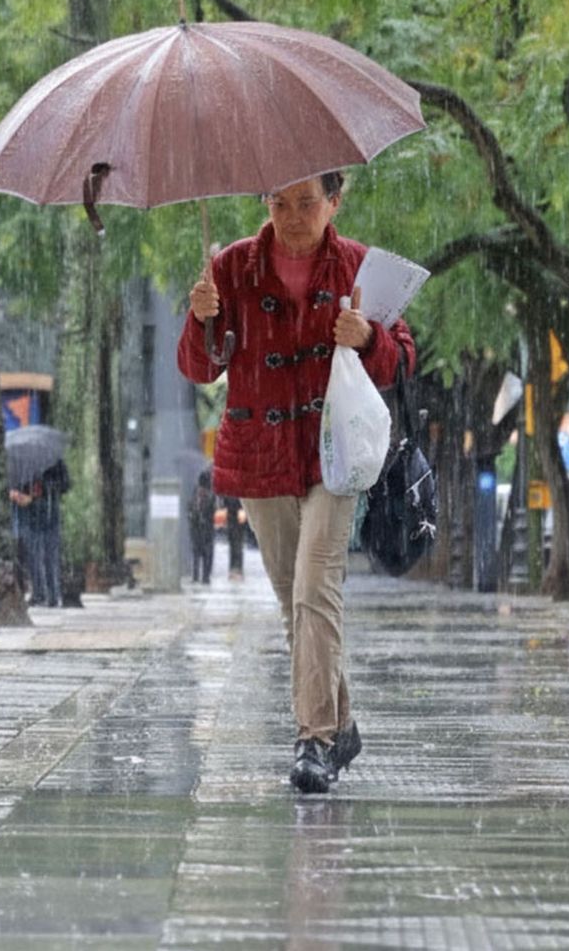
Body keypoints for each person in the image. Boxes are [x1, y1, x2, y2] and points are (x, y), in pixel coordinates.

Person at [178, 171, 414, 794]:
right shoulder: (230, 268)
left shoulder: (360, 267)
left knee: (315, 586)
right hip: (261, 455)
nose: (291, 216)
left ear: (335, 201)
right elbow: (200, 368)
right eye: (279, 203)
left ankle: (314, 740)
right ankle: (342, 724)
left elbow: (404, 357)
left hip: (336, 454)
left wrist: (369, 338)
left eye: (306, 203)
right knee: (295, 602)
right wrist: (201, 320)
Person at [11, 459, 69, 607]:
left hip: (49, 512)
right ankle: (39, 593)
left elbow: (64, 484)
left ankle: (52, 594)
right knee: (33, 554)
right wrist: (18, 493)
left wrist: (41, 490)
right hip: (30, 514)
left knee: (50, 554)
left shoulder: (54, 460)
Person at [188, 468, 217, 584]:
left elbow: (211, 511)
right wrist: (193, 515)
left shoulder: (209, 495)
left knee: (205, 553)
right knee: (198, 553)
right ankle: (197, 576)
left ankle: (204, 577)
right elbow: (190, 506)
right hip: (198, 528)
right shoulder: (198, 493)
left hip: (205, 529)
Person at [223, 495, 246, 581]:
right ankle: (235, 568)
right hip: (234, 523)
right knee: (235, 547)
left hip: (236, 524)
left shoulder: (231, 497)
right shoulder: (235, 497)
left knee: (236, 547)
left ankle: (236, 568)